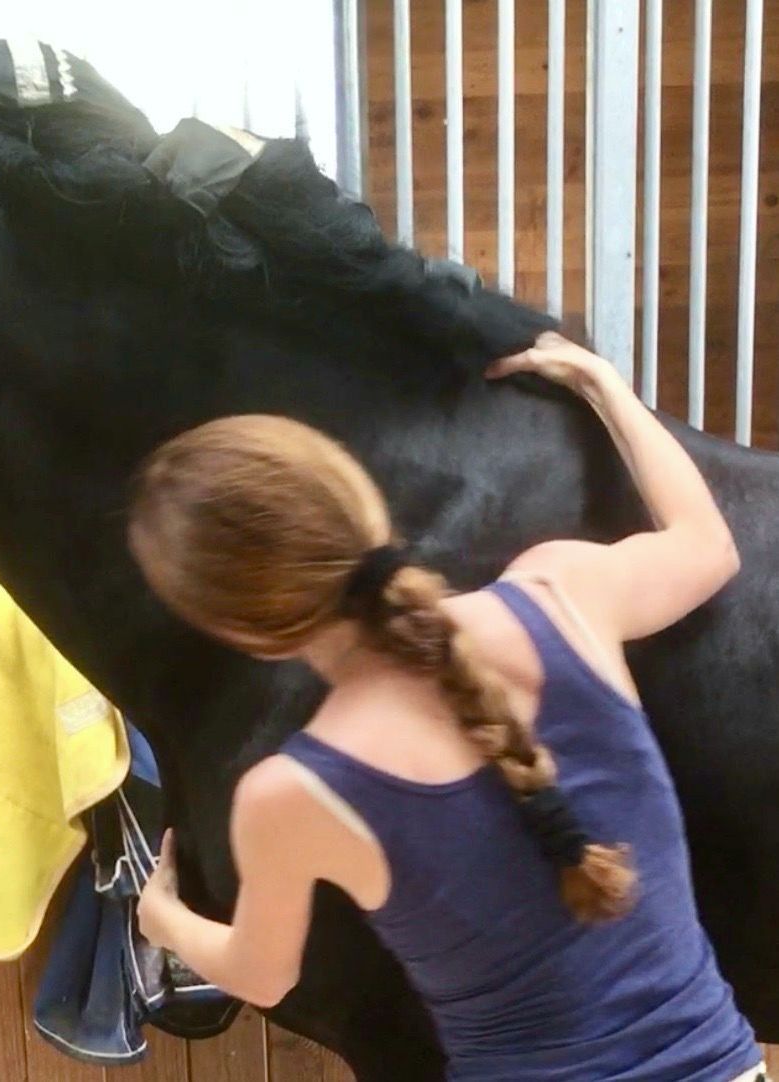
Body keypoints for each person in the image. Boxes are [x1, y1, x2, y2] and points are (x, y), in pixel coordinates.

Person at [128, 333, 763, 1081]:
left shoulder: (289, 796)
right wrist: (604, 387)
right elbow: (707, 545)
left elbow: (262, 975)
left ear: (242, 631)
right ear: (359, 503)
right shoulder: (563, 593)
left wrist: (162, 920)